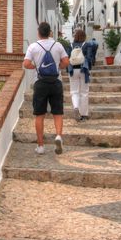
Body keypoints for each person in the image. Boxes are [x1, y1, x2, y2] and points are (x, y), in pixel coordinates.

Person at [23, 22, 70, 155]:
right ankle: (59, 136)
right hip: (56, 82)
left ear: (39, 33)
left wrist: (36, 67)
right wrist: (58, 67)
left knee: (39, 115)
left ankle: (41, 146)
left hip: (40, 83)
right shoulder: (58, 45)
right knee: (58, 113)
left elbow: (26, 63)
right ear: (50, 32)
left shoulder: (33, 46)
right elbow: (66, 62)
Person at [68, 29, 91, 121]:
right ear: (84, 36)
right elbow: (89, 58)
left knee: (74, 91)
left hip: (73, 70)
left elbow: (67, 57)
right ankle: (84, 115)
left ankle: (76, 107)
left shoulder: (70, 45)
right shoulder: (86, 45)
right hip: (83, 70)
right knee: (84, 92)